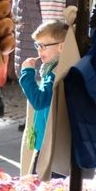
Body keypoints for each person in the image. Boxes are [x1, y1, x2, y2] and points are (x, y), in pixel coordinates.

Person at [18, 20, 68, 170]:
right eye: (37, 46)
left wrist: (27, 74)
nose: (39, 51)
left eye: (43, 46)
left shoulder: (54, 72)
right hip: (51, 140)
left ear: (61, 46)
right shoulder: (53, 67)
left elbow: (39, 101)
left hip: (51, 144)